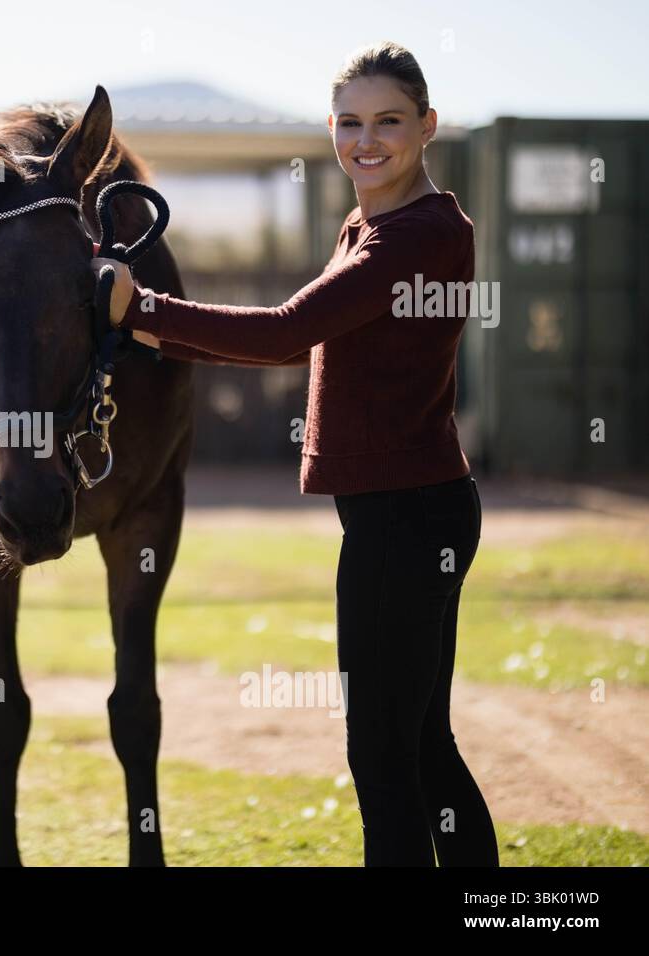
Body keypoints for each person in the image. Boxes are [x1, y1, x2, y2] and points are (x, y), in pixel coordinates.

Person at [92, 41, 499, 866]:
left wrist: (146, 310)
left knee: (384, 754)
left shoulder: (411, 237)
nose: (367, 140)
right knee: (419, 743)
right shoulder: (373, 224)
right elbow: (296, 341)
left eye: (389, 121)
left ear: (427, 126)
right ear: (331, 128)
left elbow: (285, 335)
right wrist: (146, 326)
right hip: (407, 513)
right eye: (350, 122)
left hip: (408, 520)